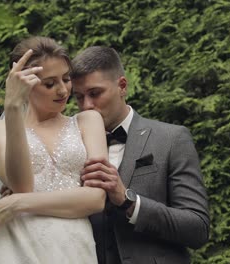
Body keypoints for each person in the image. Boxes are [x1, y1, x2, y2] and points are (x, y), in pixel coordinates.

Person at [0, 37, 109, 263]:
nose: (63, 90)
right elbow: (22, 185)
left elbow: (95, 199)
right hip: (14, 244)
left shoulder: (88, 121)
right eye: (49, 83)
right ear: (24, 83)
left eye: (66, 79)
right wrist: (13, 107)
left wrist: (17, 203)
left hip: (73, 246)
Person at [71, 46, 210, 264]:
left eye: (95, 93)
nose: (87, 106)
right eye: (79, 97)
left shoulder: (171, 139)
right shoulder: (70, 147)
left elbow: (197, 228)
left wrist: (128, 200)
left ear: (122, 86)